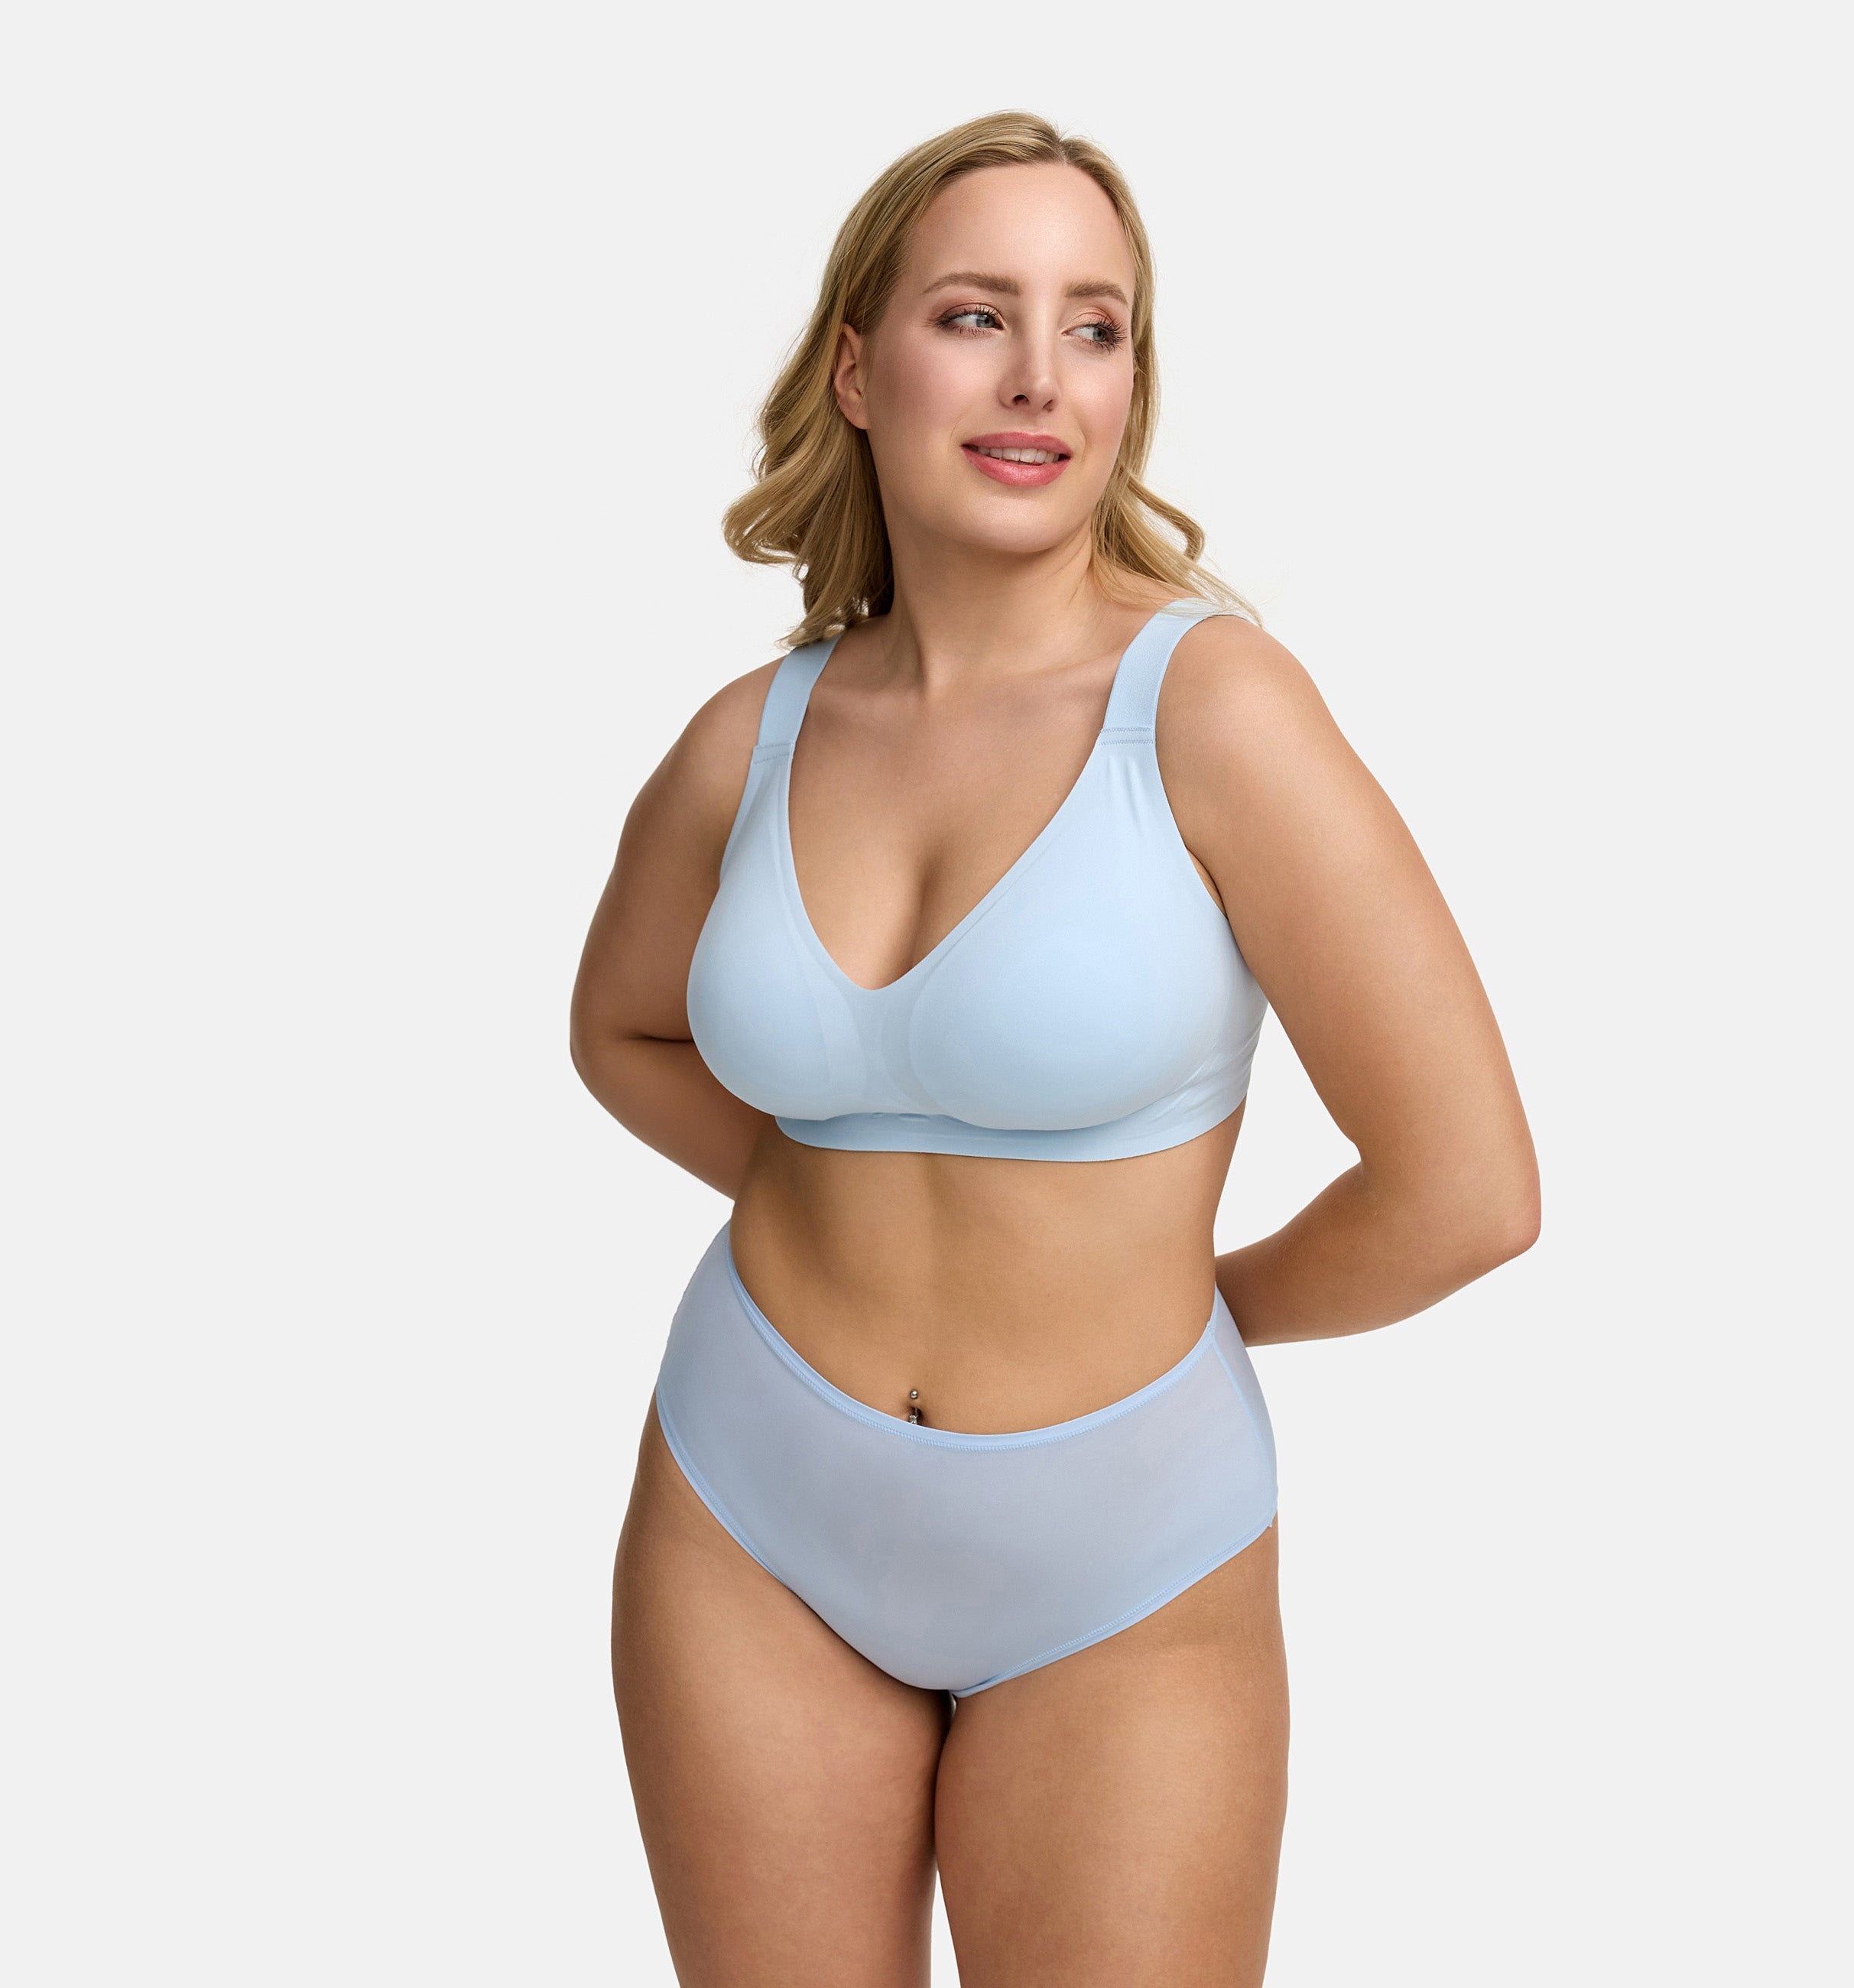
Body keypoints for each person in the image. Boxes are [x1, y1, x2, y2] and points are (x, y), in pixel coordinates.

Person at [570, 109, 1538, 1988]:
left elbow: (1468, 1190)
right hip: (748, 1503)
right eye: (974, 314)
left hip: (1121, 1543)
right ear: (857, 370)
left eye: (1095, 326)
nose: (1039, 376)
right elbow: (618, 1027)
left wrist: (1192, 1305)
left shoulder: (1217, 712)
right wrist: (812, 1186)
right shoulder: (750, 736)